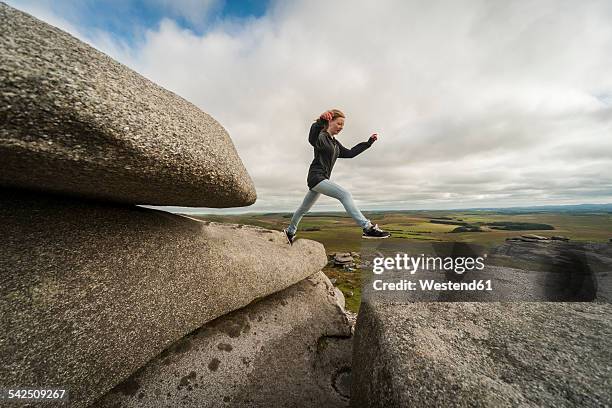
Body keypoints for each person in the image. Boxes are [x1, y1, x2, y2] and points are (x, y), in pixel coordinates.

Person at [283, 109, 391, 245]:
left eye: (343, 125)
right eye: (339, 124)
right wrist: (320, 122)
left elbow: (351, 153)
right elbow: (312, 137)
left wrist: (368, 143)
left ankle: (290, 232)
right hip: (316, 177)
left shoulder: (335, 143)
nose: (341, 128)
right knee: (345, 195)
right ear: (330, 122)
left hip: (322, 179)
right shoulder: (321, 137)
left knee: (303, 209)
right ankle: (367, 228)